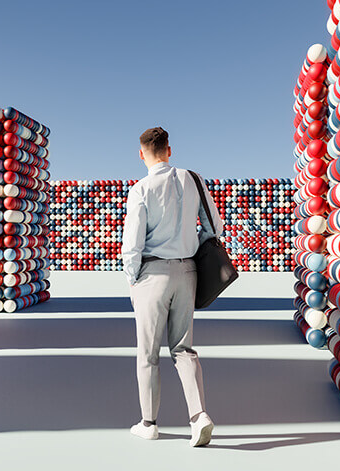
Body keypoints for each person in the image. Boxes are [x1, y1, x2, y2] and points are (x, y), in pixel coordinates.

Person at [120, 126, 222, 447]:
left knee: (148, 354)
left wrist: (132, 280)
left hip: (151, 274)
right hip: (188, 271)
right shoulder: (193, 180)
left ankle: (149, 423)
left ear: (141, 154)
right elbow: (214, 227)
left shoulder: (140, 190)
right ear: (169, 150)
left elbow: (132, 244)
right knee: (184, 349)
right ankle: (199, 417)